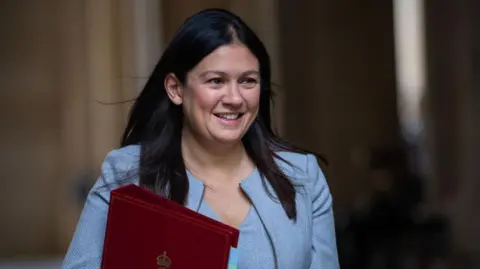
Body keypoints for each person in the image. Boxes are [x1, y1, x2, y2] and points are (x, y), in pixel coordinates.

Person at [62, 8, 339, 269]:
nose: (234, 98)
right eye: (216, 81)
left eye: (248, 81)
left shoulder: (302, 176)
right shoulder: (129, 174)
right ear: (175, 89)